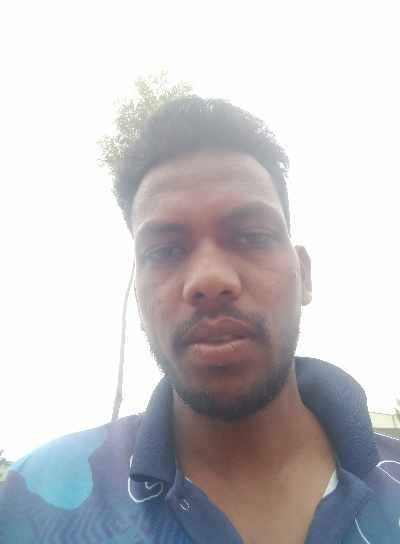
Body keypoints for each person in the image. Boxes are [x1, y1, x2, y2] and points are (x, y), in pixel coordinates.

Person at [1, 97, 399, 544]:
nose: (209, 279)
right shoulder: (30, 503)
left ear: (304, 274)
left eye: (251, 236)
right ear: (140, 298)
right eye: (165, 251)